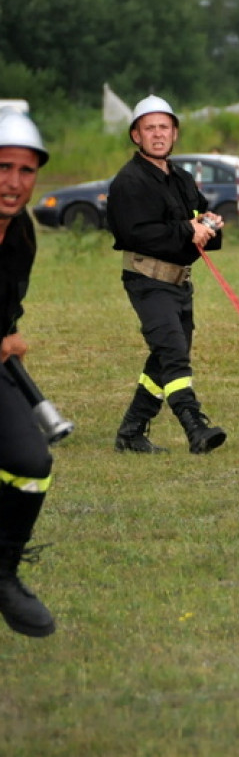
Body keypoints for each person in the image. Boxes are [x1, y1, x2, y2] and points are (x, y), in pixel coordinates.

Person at [107, 95, 227, 454]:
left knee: (163, 358)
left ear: (174, 133)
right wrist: (188, 230)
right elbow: (135, 233)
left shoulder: (181, 178)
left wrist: (210, 225)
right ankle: (195, 428)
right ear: (136, 135)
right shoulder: (129, 182)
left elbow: (199, 216)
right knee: (174, 355)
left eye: (164, 127)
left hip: (179, 282)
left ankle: (130, 433)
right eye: (149, 128)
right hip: (147, 282)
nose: (157, 134)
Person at [0, 110, 57, 637]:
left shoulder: (21, 234)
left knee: (31, 461)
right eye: (2, 167)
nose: (13, 182)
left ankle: (5, 574)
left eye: (25, 170)